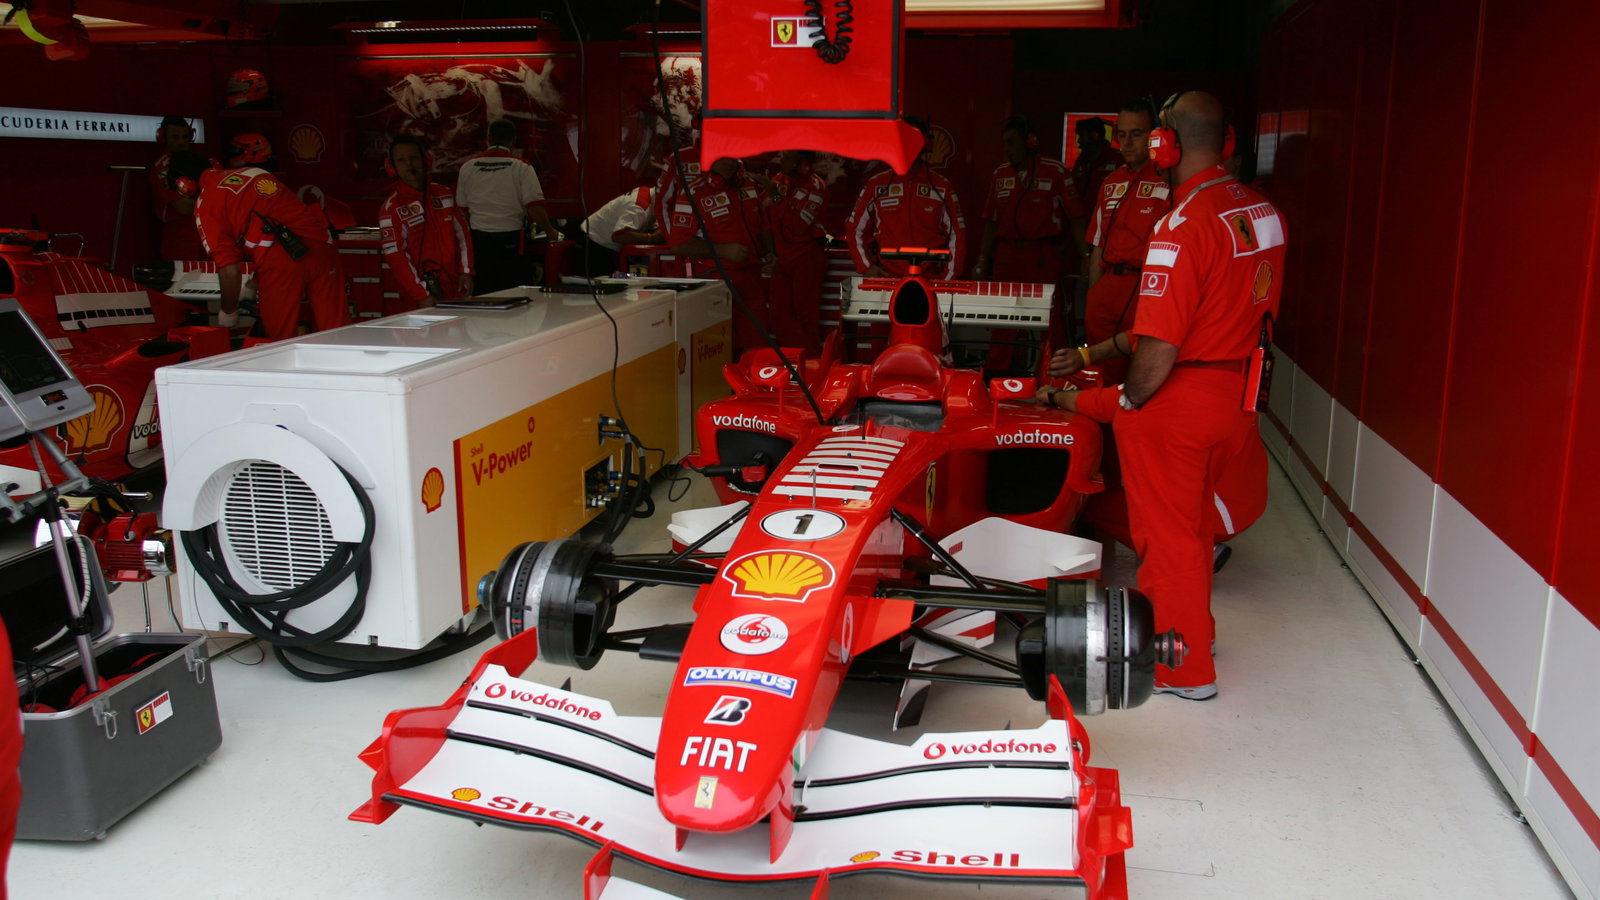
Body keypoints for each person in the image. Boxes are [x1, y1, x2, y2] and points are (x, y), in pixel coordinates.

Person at [1103, 90, 1286, 700]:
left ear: (1165, 145)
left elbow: (1155, 351)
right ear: (1227, 142)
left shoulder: (1179, 228)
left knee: (1170, 539)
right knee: (1196, 528)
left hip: (1182, 399)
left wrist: (1130, 401)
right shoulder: (1262, 211)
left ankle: (1183, 669)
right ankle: (1199, 633)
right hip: (1239, 391)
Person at [168, 149, 348, 340]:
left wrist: (228, 312)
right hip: (323, 246)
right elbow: (279, 222)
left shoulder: (206, 203)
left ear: (184, 185)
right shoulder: (253, 172)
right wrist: (253, 284)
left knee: (281, 342)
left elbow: (230, 270)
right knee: (338, 332)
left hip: (281, 261)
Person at [1083, 97, 1170, 383]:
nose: (1127, 143)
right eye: (1122, 135)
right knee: (1102, 374)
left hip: (1146, 289)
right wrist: (1093, 297)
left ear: (1154, 134)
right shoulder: (1110, 183)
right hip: (1107, 289)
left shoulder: (1170, 181)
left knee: (1141, 376)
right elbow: (1097, 245)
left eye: (1137, 134)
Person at [661, 155, 773, 356]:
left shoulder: (748, 184)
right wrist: (722, 250)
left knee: (757, 347)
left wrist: (771, 252)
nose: (730, 159)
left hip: (752, 279)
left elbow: (763, 223)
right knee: (716, 348)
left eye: (733, 153)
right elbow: (678, 243)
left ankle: (752, 387)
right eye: (723, 154)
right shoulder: (693, 192)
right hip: (715, 281)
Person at [971, 114, 1086, 285]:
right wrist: (982, 259)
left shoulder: (1056, 171)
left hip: (1042, 257)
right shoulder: (1000, 174)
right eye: (1004, 143)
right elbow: (991, 221)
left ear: (1029, 142)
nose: (1006, 149)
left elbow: (1076, 217)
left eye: (1012, 142)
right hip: (1006, 257)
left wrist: (1085, 257)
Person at [845, 116, 965, 279]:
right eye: (904, 139)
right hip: (887, 278)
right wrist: (866, 267)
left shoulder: (941, 186)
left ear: (924, 143)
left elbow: (958, 233)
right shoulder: (877, 185)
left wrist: (949, 278)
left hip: (930, 280)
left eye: (914, 140)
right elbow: (854, 228)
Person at [455, 119, 557, 293]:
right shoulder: (522, 167)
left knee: (484, 294)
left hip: (479, 242)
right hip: (511, 240)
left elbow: (462, 212)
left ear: (489, 138)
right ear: (513, 140)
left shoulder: (467, 167)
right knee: (514, 292)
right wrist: (551, 232)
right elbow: (535, 207)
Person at [379, 134, 475, 305]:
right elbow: (396, 258)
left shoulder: (444, 194)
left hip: (455, 290)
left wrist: (466, 272)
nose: (409, 164)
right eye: (401, 160)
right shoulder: (391, 209)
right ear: (391, 167)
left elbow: (463, 234)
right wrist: (420, 295)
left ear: (426, 160)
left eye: (413, 157)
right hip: (420, 298)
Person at [761, 150, 830, 351]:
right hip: (781, 257)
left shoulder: (817, 187)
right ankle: (797, 362)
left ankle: (809, 366)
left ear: (802, 164)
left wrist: (776, 198)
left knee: (805, 317)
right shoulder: (779, 179)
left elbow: (798, 226)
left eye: (787, 157)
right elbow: (763, 208)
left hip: (807, 257)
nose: (781, 160)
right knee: (777, 316)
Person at [575, 185, 662, 278]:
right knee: (608, 286)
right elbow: (620, 235)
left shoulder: (649, 195)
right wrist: (652, 238)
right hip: (593, 246)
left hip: (603, 245)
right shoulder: (639, 205)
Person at [149, 116, 204, 261]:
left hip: (204, 231)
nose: (181, 142)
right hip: (179, 234)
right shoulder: (162, 167)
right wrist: (211, 204)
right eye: (175, 137)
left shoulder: (200, 161)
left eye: (185, 137)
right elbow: (182, 207)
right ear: (163, 137)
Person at [1071, 117, 1124, 205]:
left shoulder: (1118, 159)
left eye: (1081, 136)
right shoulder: (1081, 160)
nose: (1079, 141)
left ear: (1095, 135)